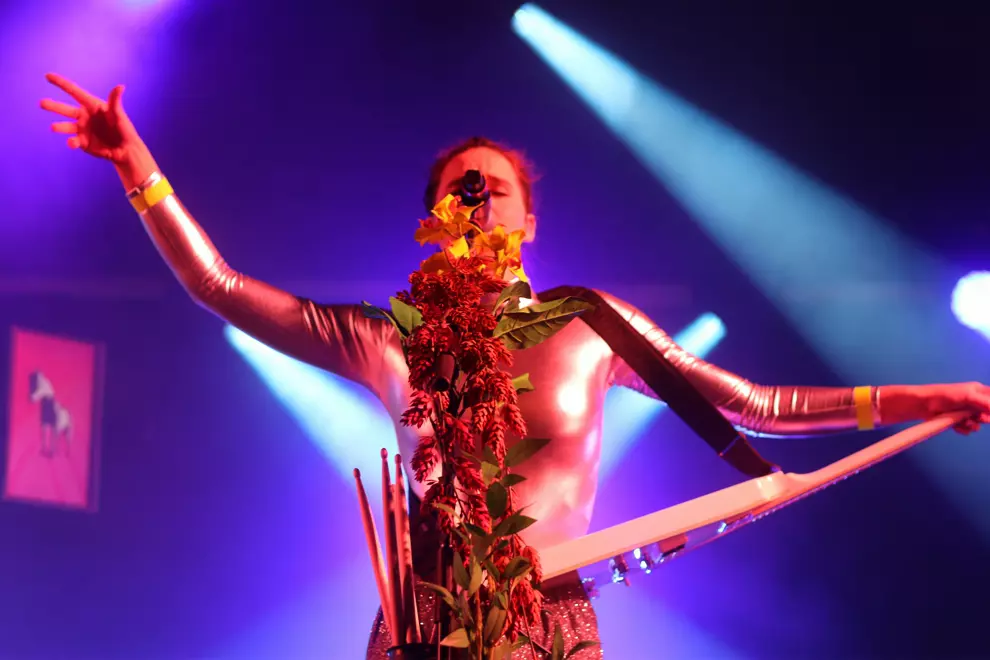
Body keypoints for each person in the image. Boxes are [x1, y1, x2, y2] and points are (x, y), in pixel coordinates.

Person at [39, 73, 990, 658]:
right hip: (424, 627)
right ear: (435, 218)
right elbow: (222, 287)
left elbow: (758, 405)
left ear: (529, 219)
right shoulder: (393, 335)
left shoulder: (592, 325)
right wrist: (140, 174)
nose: (479, 198)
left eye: (495, 188)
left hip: (553, 621)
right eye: (461, 190)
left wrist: (926, 395)